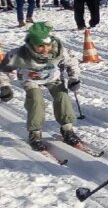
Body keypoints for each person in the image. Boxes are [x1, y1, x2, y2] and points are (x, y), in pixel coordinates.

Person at [0, 22, 82, 150]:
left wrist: (74, 78)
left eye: (47, 45)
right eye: (40, 46)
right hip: (30, 79)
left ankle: (67, 129)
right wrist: (4, 85)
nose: (45, 49)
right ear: (31, 44)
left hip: (52, 78)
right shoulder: (19, 54)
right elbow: (3, 70)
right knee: (36, 101)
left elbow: (72, 62)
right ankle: (35, 133)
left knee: (62, 97)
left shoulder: (59, 51)